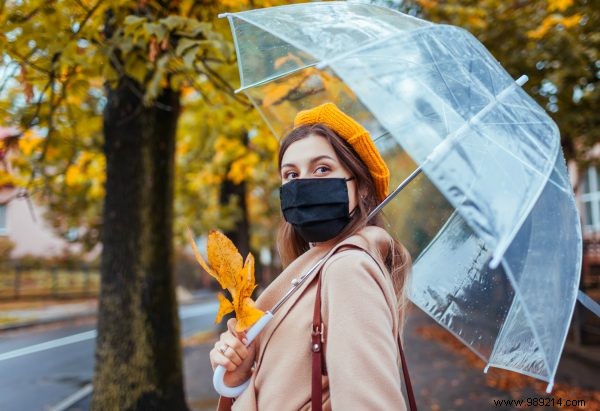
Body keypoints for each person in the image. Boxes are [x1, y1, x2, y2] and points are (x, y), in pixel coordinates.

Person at [209, 102, 412, 410]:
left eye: (322, 169)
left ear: (363, 189)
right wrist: (241, 376)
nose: (303, 184)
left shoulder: (349, 269)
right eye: (291, 174)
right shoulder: (314, 270)